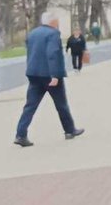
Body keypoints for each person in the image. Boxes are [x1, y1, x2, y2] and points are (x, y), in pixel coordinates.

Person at [14, 14, 84, 147]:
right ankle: (69, 130)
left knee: (30, 106)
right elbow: (53, 54)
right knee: (61, 104)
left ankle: (20, 134)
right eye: (57, 22)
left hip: (34, 74)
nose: (58, 24)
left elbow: (31, 53)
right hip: (49, 75)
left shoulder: (32, 34)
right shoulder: (53, 34)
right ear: (53, 22)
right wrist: (55, 75)